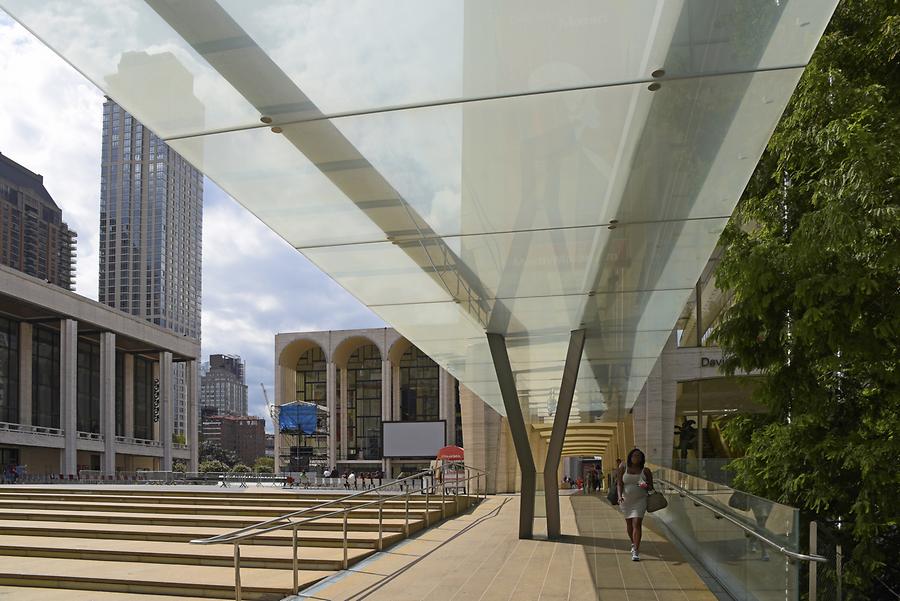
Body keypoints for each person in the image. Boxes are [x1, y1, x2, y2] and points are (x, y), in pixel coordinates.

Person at [617, 448, 654, 562]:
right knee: (629, 525)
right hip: (626, 500)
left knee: (637, 523)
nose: (636, 458)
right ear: (630, 457)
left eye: (639, 456)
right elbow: (619, 483)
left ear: (642, 458)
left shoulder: (646, 471)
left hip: (640, 500)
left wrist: (645, 486)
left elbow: (651, 487)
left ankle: (636, 550)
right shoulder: (623, 467)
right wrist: (619, 496)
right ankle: (633, 543)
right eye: (634, 455)